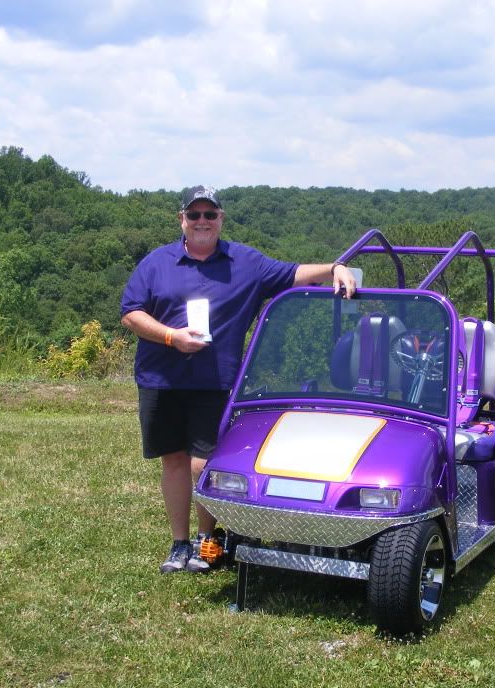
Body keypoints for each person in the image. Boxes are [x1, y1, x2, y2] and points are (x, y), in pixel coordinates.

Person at [120, 185, 357, 574]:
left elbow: (293, 273)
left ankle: (207, 541)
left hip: (215, 381)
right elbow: (131, 313)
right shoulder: (156, 262)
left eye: (209, 215)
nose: (202, 222)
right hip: (160, 378)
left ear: (221, 219)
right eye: (193, 215)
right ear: (181, 219)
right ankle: (179, 543)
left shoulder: (245, 262)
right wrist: (170, 337)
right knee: (174, 461)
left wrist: (335, 267)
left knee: (203, 464)